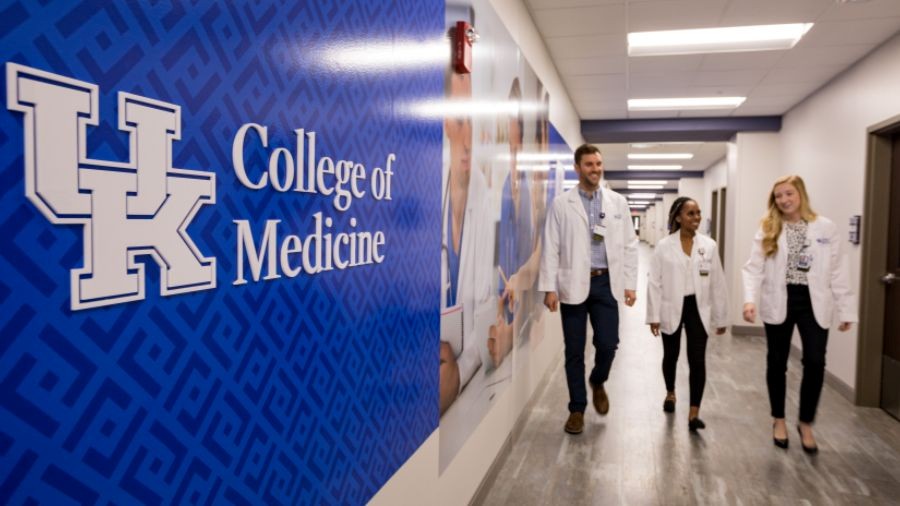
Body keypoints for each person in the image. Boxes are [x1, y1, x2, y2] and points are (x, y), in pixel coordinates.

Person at [742, 175, 856, 452]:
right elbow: (753, 267)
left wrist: (846, 308)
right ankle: (778, 419)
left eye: (789, 194)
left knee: (815, 361)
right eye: (779, 196)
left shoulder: (825, 227)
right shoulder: (768, 228)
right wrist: (749, 300)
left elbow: (838, 269)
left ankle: (806, 422)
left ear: (801, 194)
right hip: (779, 298)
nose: (784, 200)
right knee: (777, 361)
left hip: (813, 301)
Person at [538, 143, 638, 435]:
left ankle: (598, 379)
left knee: (608, 344)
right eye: (589, 164)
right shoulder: (561, 204)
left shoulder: (617, 202)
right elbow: (551, 247)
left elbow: (630, 245)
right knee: (574, 351)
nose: (596, 169)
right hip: (573, 282)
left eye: (598, 164)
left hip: (606, 283)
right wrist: (549, 288)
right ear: (577, 168)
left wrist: (630, 284)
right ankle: (577, 409)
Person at [439, 62, 494, 416]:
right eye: (460, 120)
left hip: (456, 369)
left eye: (473, 121)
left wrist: (459, 370)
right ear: (443, 122)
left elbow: (485, 311)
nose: (468, 138)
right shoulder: (425, 190)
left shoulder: (483, 195)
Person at [646, 197, 728, 432]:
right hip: (671, 305)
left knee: (697, 360)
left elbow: (718, 283)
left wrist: (721, 317)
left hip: (697, 308)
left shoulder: (708, 245)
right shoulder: (664, 246)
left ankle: (694, 412)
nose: (696, 218)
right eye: (691, 213)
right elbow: (654, 282)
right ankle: (671, 392)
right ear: (678, 217)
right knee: (670, 355)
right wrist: (653, 314)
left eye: (698, 213)